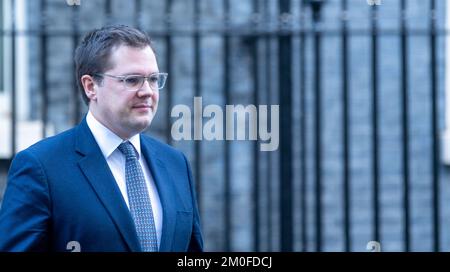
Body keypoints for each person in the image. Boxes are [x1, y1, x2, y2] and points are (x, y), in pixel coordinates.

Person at [0, 25, 203, 252]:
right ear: (90, 86)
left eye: (153, 79)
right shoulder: (41, 167)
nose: (147, 91)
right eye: (132, 79)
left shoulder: (176, 163)